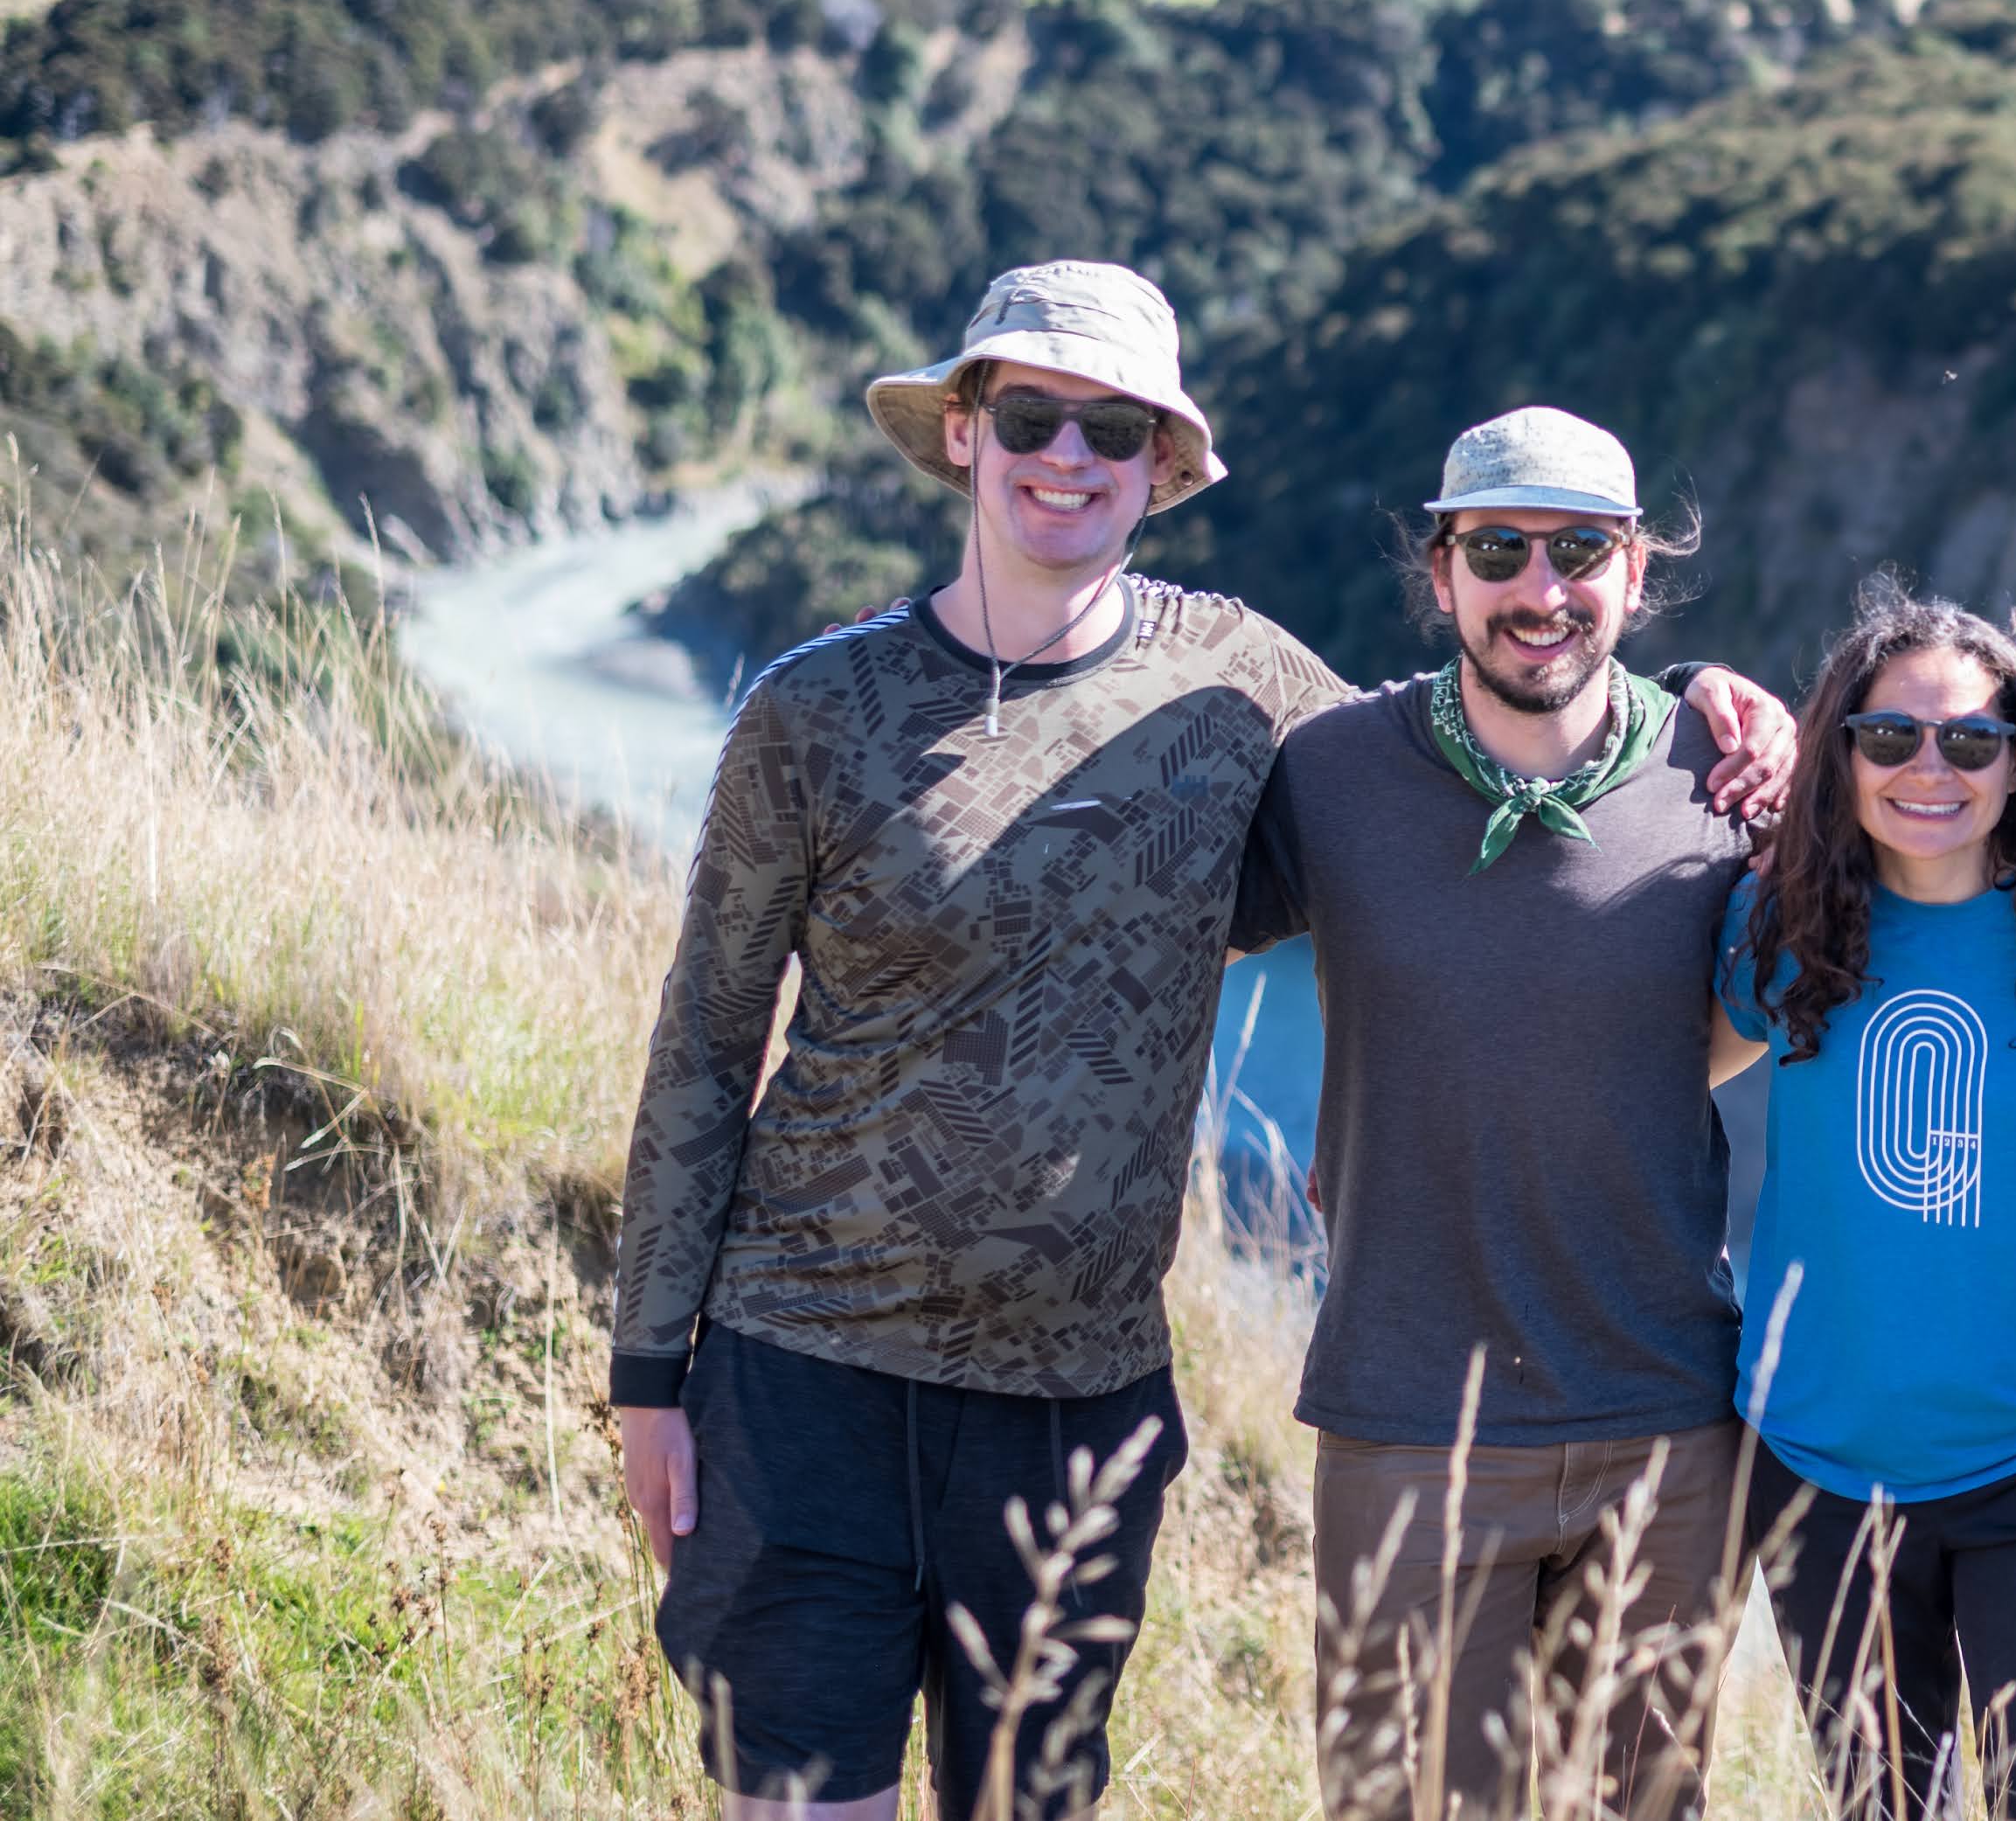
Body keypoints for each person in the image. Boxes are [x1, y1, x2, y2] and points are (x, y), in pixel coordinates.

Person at [609, 280, 1785, 1821]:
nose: (1068, 456)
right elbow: (704, 1035)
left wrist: (1704, 705)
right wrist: (649, 1373)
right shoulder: (813, 708)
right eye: (1031, 417)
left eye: (1115, 428)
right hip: (802, 1375)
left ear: (1162, 464)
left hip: (1076, 1404)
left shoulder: (1242, 691)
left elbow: (1483, 737)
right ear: (964, 433)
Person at [1232, 406, 1776, 1821]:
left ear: (1639, 572)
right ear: (1444, 573)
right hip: (1409, 1415)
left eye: (1582, 549)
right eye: (1501, 549)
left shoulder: (1726, 784)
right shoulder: (1332, 774)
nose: (1543, 590)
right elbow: (1143, 933)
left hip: (1665, 1421)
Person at [1712, 582, 2016, 1821]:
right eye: (1890, 737)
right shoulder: (1783, 920)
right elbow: (1660, 1078)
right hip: (1821, 1470)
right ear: (1843, 752)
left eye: (1972, 740)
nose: (1931, 767)